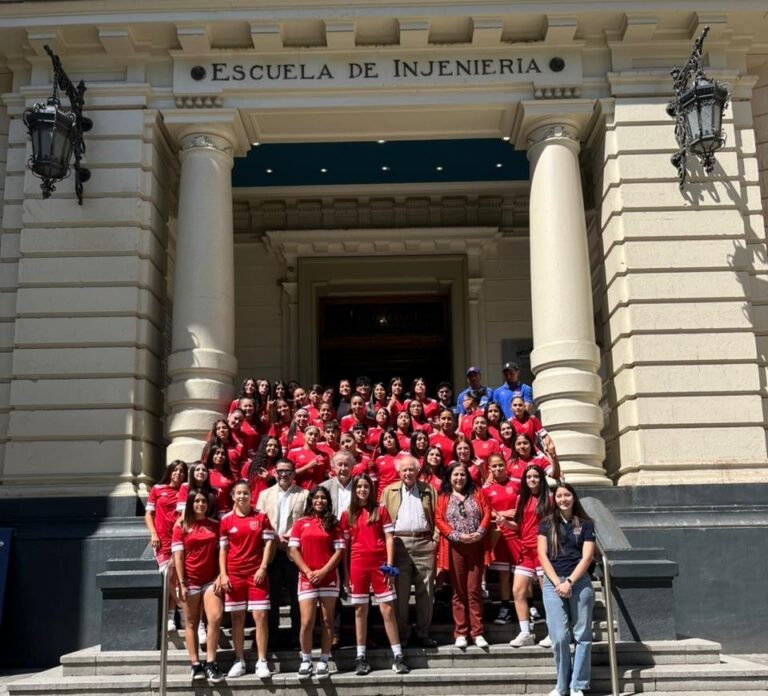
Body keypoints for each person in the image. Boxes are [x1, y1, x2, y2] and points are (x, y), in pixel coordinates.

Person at [341, 474, 410, 675]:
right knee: (360, 611)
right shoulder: (347, 514)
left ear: (371, 489)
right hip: (357, 567)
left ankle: (398, 656)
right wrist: (345, 576)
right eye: (359, 486)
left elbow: (390, 539)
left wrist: (390, 568)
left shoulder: (381, 510)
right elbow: (344, 549)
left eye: (366, 486)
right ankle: (360, 657)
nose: (362, 489)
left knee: (388, 610)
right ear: (354, 490)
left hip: (381, 567)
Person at [538, 483, 596, 696]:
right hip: (553, 583)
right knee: (560, 636)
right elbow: (542, 555)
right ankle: (562, 685)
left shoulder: (586, 524)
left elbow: (588, 556)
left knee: (582, 635)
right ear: (555, 499)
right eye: (559, 496)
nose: (563, 499)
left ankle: (577, 684)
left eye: (567, 495)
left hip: (579, 583)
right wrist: (557, 583)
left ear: (574, 498)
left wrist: (569, 582)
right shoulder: (546, 523)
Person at [218, 480, 276, 679]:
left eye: (245, 493)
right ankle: (239, 660)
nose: (242, 496)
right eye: (238, 493)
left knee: (260, 617)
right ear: (233, 496)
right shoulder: (226, 520)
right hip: (234, 575)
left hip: (256, 575)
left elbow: (269, 544)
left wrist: (263, 567)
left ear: (250, 496)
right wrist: (223, 574)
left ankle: (262, 661)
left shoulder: (261, 516)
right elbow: (223, 550)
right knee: (237, 618)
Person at [380, 455, 438, 647]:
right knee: (400, 592)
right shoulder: (389, 491)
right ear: (399, 472)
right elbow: (382, 520)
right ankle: (402, 635)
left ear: (417, 471)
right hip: (398, 544)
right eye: (404, 470)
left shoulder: (428, 490)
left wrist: (435, 540)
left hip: (424, 543)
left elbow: (438, 516)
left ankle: (423, 633)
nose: (407, 473)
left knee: (427, 590)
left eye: (411, 469)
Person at [288, 486, 345, 679]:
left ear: (328, 501)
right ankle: (306, 660)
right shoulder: (300, 523)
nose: (319, 501)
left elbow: (339, 552)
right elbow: (294, 550)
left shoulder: (334, 523)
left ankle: (323, 660)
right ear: (311, 500)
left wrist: (323, 571)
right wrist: (308, 571)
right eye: (316, 497)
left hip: (328, 577)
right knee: (307, 622)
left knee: (328, 621)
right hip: (307, 577)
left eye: (323, 498)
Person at [434, 461, 491, 649]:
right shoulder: (443, 497)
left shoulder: (477, 493)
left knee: (474, 589)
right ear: (449, 477)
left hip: (475, 545)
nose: (459, 478)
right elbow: (439, 519)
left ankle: (477, 632)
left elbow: (487, 513)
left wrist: (479, 533)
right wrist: (457, 535)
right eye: (455, 475)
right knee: (458, 591)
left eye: (462, 474)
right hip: (454, 547)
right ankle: (461, 632)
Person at [172, 487, 225, 684]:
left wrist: (221, 575)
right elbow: (178, 556)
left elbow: (221, 552)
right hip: (190, 581)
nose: (201, 504)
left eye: (204, 501)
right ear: (190, 503)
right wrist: (182, 582)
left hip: (211, 580)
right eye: (197, 501)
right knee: (191, 623)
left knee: (215, 618)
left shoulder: (214, 525)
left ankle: (211, 663)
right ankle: (195, 664)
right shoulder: (181, 526)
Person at [256, 459, 309, 648]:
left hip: (294, 552)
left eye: (287, 471)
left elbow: (306, 520)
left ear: (294, 474)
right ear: (275, 473)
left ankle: (297, 637)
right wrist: (273, 537)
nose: (283, 474)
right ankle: (273, 638)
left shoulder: (304, 494)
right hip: (271, 551)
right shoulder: (264, 495)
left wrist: (291, 535)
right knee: (272, 597)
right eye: (280, 471)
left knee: (297, 598)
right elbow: (260, 520)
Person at [509, 464, 552, 648]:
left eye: (535, 476)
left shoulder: (549, 499)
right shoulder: (521, 499)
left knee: (547, 593)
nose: (532, 480)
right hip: (525, 549)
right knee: (517, 591)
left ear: (541, 479)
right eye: (528, 477)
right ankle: (525, 632)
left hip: (543, 550)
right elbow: (519, 526)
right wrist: (505, 523)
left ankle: (553, 631)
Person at [145, 460, 188, 631]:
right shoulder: (157, 489)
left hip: (179, 539)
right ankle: (182, 608)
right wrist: (153, 533)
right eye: (175, 470)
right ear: (169, 472)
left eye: (182, 471)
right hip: (161, 539)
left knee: (176, 577)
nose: (178, 473)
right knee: (168, 575)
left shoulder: (185, 491)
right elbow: (149, 514)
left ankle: (171, 618)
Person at [483, 453, 520, 626]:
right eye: (494, 466)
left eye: (500, 465)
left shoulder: (516, 484)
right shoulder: (486, 490)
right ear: (489, 469)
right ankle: (505, 608)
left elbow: (523, 505)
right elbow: (484, 511)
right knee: (503, 574)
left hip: (518, 534)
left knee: (521, 573)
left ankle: (529, 607)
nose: (498, 469)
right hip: (499, 535)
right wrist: (503, 514)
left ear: (506, 465)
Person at [288, 424, 330, 490]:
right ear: (304, 436)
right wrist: (308, 466)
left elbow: (326, 475)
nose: (313, 437)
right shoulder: (293, 452)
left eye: (316, 435)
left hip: (317, 492)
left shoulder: (324, 455)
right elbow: (289, 474)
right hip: (298, 490)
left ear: (318, 438)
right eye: (310, 434)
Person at [241, 436, 280, 506]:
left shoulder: (280, 467)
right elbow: (241, 487)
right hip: (251, 506)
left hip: (271, 506)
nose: (273, 448)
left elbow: (284, 489)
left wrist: (271, 480)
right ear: (263, 447)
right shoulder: (250, 465)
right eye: (269, 445)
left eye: (276, 446)